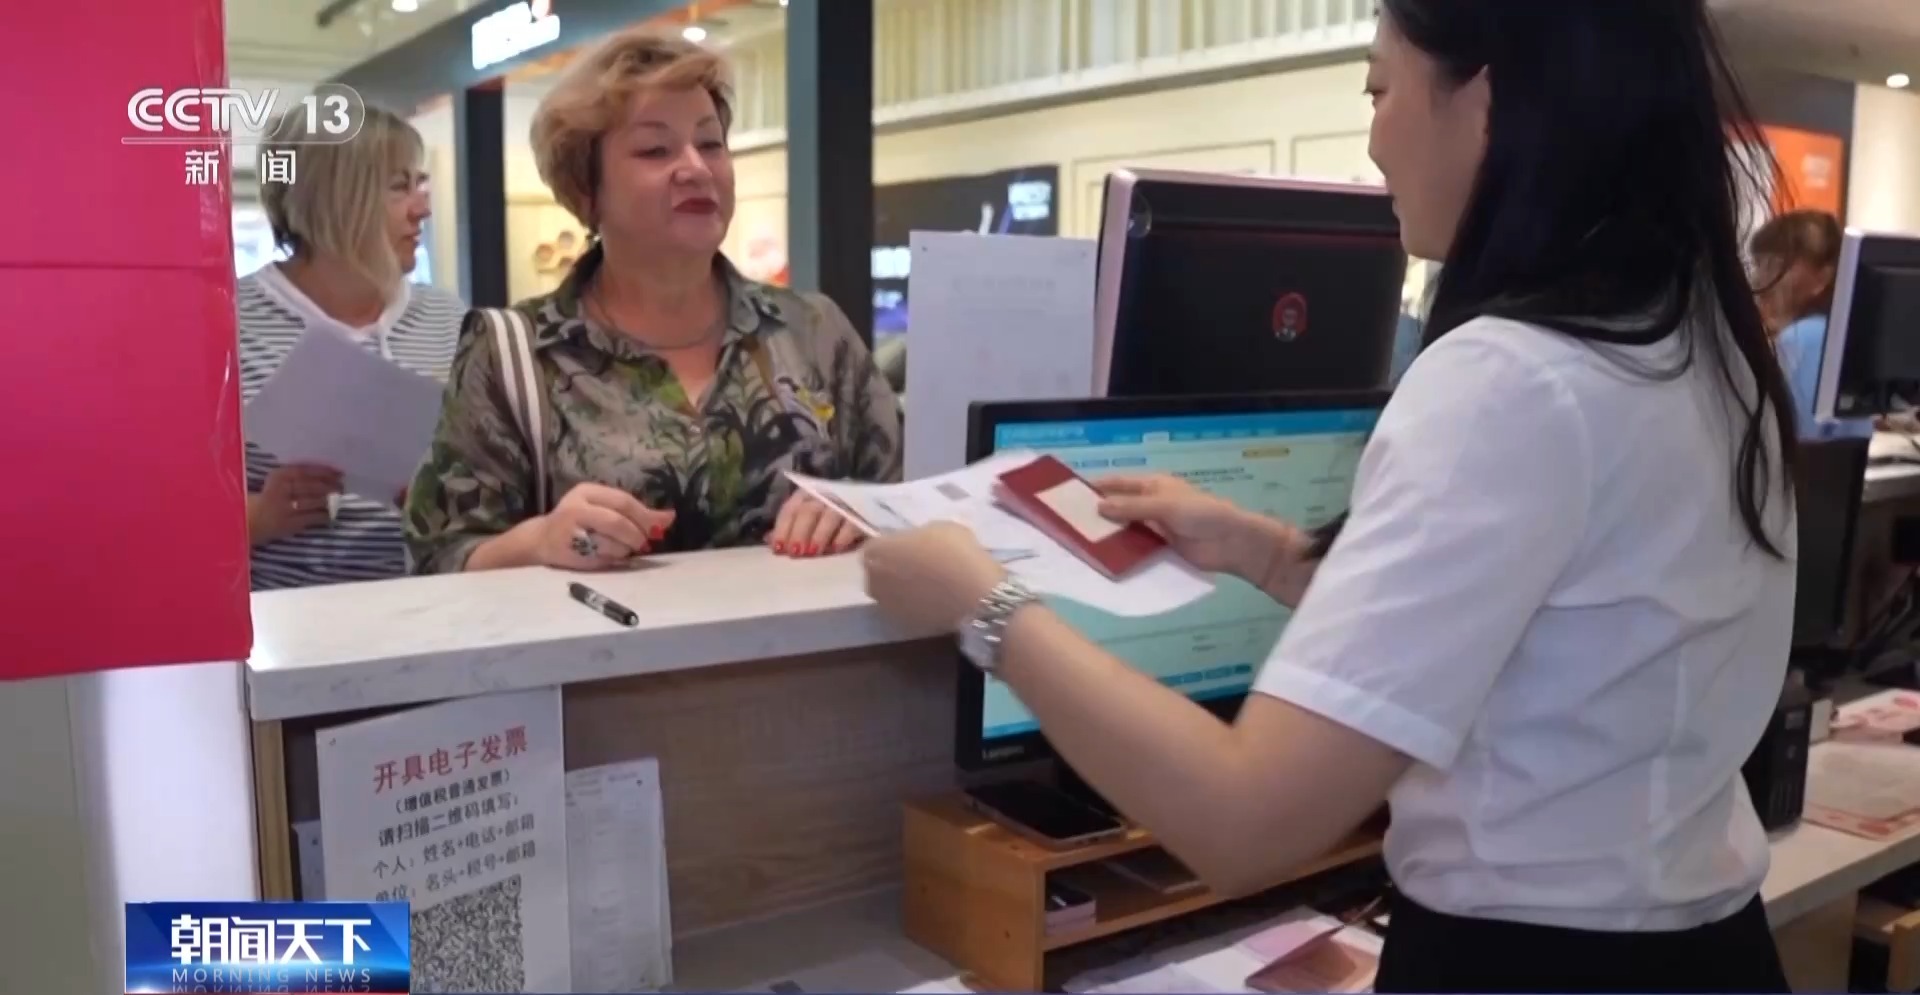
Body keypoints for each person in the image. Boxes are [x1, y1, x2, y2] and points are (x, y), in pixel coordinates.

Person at [860, 2, 1799, 991]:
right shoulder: (1709, 350)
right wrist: (1267, 549)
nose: (1374, 139)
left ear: (1488, 95)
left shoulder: (1511, 380)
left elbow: (1243, 818)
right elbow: (1546, 638)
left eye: (1379, 88)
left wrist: (985, 602)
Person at [404, 30, 901, 574]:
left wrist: (858, 508)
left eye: (710, 143)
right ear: (586, 189)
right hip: (598, 632)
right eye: (655, 150)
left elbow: (913, 497)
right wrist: (540, 541)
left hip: (820, 633)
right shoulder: (512, 354)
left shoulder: (813, 331)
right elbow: (438, 558)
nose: (696, 168)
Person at [239, 105, 465, 590]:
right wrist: (257, 517)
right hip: (288, 620)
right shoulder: (226, 326)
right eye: (399, 187)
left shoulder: (449, 320)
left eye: (420, 184)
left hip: (439, 612)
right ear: (334, 199)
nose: (422, 209)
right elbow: (154, 510)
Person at [1750, 209, 1872, 438]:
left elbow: (1792, 439)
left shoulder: (1801, 339)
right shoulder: (1844, 337)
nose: (1760, 279)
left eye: (1777, 265)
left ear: (1822, 278)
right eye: (1759, 264)